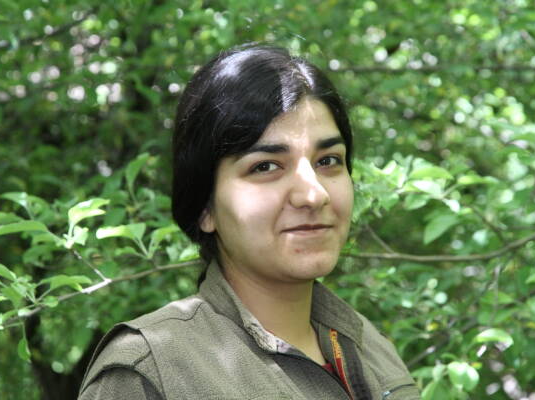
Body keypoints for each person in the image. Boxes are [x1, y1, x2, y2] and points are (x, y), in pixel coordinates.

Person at [79, 44, 420, 400]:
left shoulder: (372, 347)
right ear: (206, 208)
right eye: (265, 166)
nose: (314, 194)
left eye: (328, 161)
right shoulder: (151, 372)